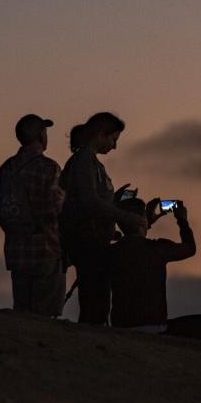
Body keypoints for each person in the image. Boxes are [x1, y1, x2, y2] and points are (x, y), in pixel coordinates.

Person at [59, 112, 148, 325]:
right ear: (100, 134)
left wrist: (115, 200)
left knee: (98, 299)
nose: (114, 146)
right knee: (95, 300)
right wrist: (127, 216)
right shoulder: (83, 161)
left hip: (94, 239)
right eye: (113, 139)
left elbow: (94, 199)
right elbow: (89, 201)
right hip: (87, 241)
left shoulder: (90, 163)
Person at [110, 198, 201, 341]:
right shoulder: (158, 249)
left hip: (122, 326)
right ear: (142, 220)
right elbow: (190, 248)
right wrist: (182, 220)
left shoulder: (112, 252)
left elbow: (132, 239)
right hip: (155, 329)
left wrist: (144, 224)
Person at [0, 114, 66, 317]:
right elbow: (55, 209)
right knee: (45, 314)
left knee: (22, 313)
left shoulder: (7, 167)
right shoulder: (48, 167)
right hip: (45, 249)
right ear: (41, 135)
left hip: (16, 250)